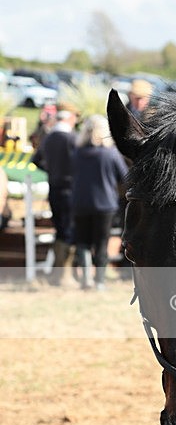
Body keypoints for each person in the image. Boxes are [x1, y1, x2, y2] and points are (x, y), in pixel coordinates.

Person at [71, 114, 128, 289]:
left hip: (80, 202)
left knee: (82, 241)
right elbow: (125, 176)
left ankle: (86, 277)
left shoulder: (77, 153)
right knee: (101, 243)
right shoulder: (110, 154)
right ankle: (100, 281)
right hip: (105, 204)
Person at [32, 102, 79, 284]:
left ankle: (58, 273)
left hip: (54, 188)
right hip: (70, 189)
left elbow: (36, 160)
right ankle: (64, 275)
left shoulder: (49, 137)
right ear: (69, 117)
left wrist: (52, 170)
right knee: (69, 229)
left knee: (60, 228)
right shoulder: (72, 139)